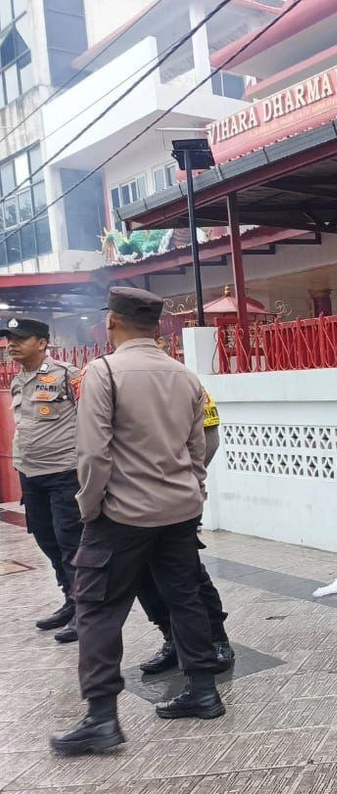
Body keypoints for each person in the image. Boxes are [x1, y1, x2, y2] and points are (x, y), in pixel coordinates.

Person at [51, 288, 226, 756]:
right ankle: (203, 690)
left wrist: (90, 507)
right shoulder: (185, 375)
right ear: (155, 326)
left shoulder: (104, 372)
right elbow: (198, 448)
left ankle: (101, 718)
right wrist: (194, 493)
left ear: (112, 321)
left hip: (121, 514)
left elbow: (92, 453)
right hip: (179, 510)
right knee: (184, 597)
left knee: (97, 608)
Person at [135, 382, 235, 675]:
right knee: (141, 572)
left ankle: (216, 639)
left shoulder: (186, 383)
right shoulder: (103, 379)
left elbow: (209, 439)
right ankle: (171, 638)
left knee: (187, 573)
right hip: (128, 501)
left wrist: (183, 483)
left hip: (174, 499)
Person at [4, 317, 84, 643]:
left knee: (70, 542)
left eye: (20, 338)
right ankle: (70, 599)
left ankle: (84, 611)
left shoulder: (68, 375)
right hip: (30, 475)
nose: (11, 344)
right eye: (9, 339)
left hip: (65, 473)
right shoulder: (18, 381)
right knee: (46, 540)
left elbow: (93, 417)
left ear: (41, 343)